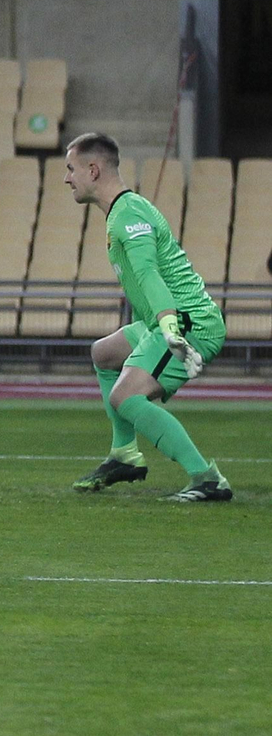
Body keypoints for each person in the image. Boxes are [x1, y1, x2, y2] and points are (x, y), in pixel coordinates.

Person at [65, 132, 231, 502]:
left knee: (126, 396)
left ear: (93, 170)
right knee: (104, 354)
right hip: (167, 318)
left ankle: (207, 478)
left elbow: (148, 274)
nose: (67, 178)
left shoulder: (128, 214)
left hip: (187, 321)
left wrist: (170, 328)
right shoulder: (124, 211)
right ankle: (124, 454)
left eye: (71, 169)